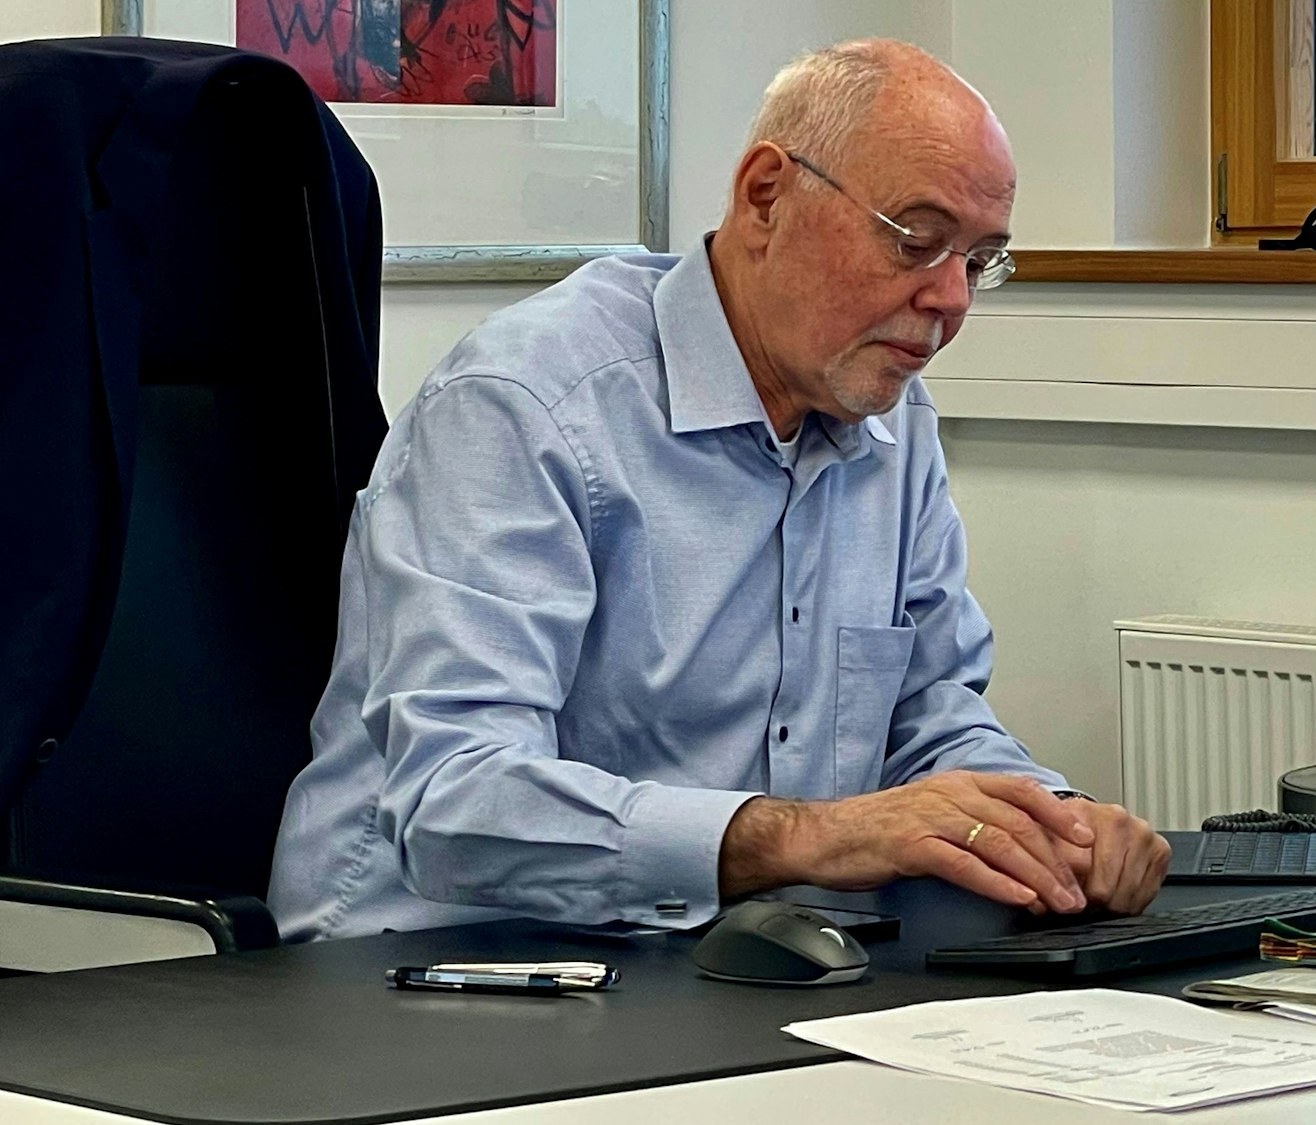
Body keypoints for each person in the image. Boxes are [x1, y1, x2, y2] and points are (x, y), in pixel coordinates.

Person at [267, 39, 1172, 941]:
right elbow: (455, 799)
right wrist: (804, 837)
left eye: (979, 261)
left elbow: (927, 715)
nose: (951, 300)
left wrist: (1048, 823)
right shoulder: (526, 404)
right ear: (766, 196)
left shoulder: (893, 421)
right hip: (432, 964)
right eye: (918, 240)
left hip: (730, 955)